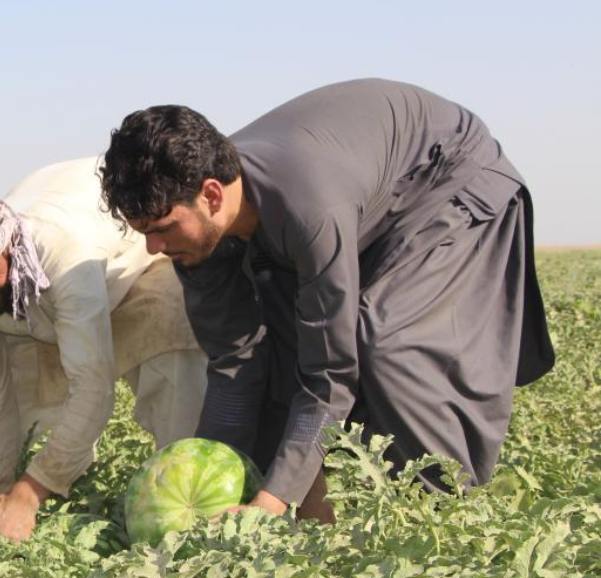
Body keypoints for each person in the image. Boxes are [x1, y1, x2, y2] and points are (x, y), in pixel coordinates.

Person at [99, 78, 555, 523]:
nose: (154, 249)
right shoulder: (192, 235)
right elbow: (235, 358)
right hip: (362, 201)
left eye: (161, 229)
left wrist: (271, 503)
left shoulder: (308, 208)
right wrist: (209, 478)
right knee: (285, 351)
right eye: (144, 234)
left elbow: (330, 375)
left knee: (384, 345)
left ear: (212, 195)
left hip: (446, 183)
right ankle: (315, 511)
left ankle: (443, 513)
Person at [0, 157, 207, 541]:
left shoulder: (63, 253)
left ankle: (185, 513)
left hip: (127, 273)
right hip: (41, 302)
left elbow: (93, 387)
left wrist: (28, 492)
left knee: (172, 344)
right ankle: (12, 505)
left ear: (9, 249)